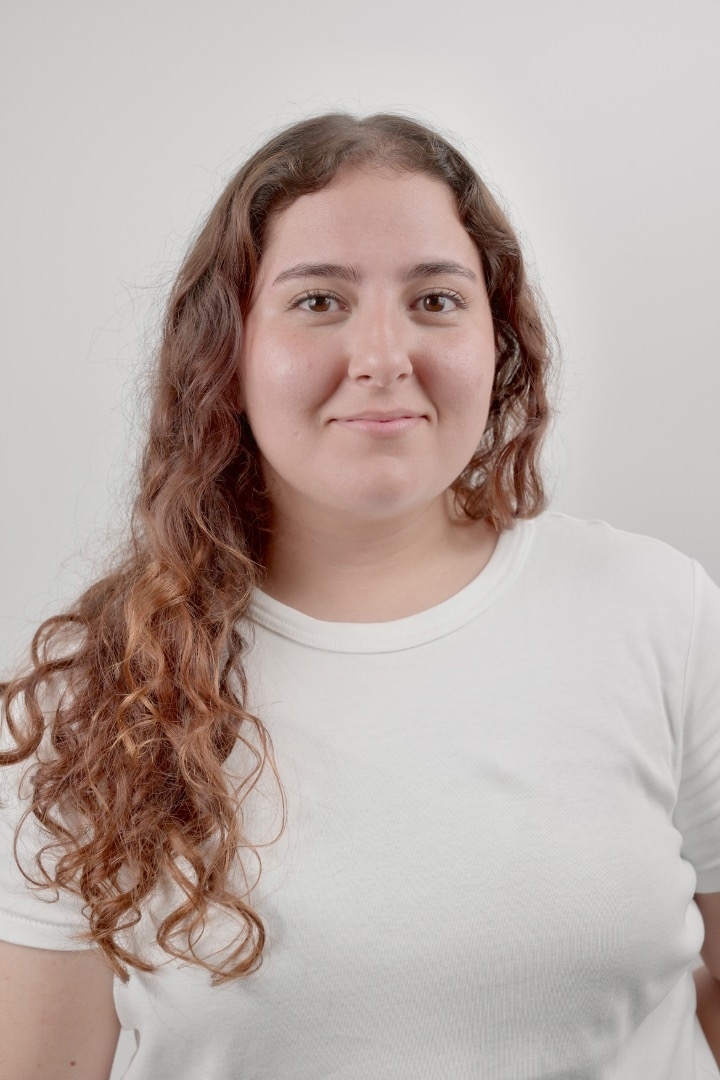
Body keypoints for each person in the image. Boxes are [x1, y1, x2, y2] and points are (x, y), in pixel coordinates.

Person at [1, 112, 719, 1080]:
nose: (383, 355)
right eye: (318, 301)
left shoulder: (663, 613)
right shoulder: (89, 695)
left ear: (499, 340)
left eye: (435, 299)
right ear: (228, 352)